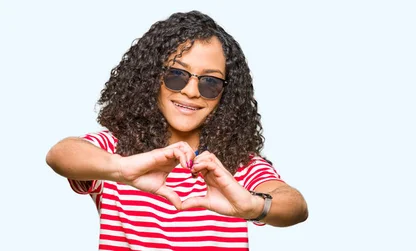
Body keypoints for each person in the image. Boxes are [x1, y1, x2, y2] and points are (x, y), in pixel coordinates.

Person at [46, 10, 308, 250]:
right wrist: (120, 169)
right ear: (151, 78)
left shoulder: (237, 164)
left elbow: (295, 206)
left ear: (225, 94)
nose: (191, 91)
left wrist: (252, 205)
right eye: (176, 75)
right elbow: (60, 154)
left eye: (210, 82)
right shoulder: (116, 152)